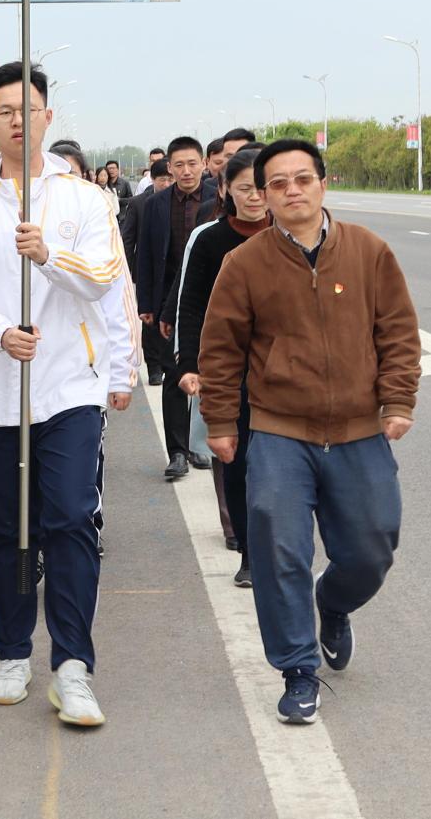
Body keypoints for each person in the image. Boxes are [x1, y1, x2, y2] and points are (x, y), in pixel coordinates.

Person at [0, 62, 138, 727]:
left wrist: (48, 255)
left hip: (67, 387)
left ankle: (72, 664)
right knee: (6, 529)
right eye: (5, 110)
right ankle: (13, 651)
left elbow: (104, 278)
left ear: (48, 116)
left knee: (71, 517)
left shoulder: (86, 200)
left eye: (29, 108)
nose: (18, 120)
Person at [198, 138, 422, 727]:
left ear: (323, 184)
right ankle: (298, 670)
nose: (292, 190)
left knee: (372, 548)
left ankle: (334, 602)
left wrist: (398, 399)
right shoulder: (244, 264)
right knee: (279, 551)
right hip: (279, 432)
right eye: (278, 183)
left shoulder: (369, 252)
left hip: (358, 431)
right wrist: (220, 421)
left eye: (303, 179)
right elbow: (220, 349)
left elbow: (398, 331)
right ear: (262, 195)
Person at [174, 145, 269, 586]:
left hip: (284, 371)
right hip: (231, 371)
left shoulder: (292, 236)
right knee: (238, 460)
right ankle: (249, 550)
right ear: (226, 189)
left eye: (262, 187)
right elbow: (191, 305)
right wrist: (188, 365)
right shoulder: (210, 240)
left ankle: (279, 546)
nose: (255, 196)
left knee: (283, 463)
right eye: (245, 188)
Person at [131, 136, 211, 477]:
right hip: (169, 304)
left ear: (203, 164)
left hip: (210, 300)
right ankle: (177, 451)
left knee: (210, 375)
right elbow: (147, 255)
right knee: (174, 374)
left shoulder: (217, 198)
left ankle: (198, 445)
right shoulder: (156, 204)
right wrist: (147, 304)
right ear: (169, 168)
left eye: (192, 163)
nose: (186, 171)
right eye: (179, 165)